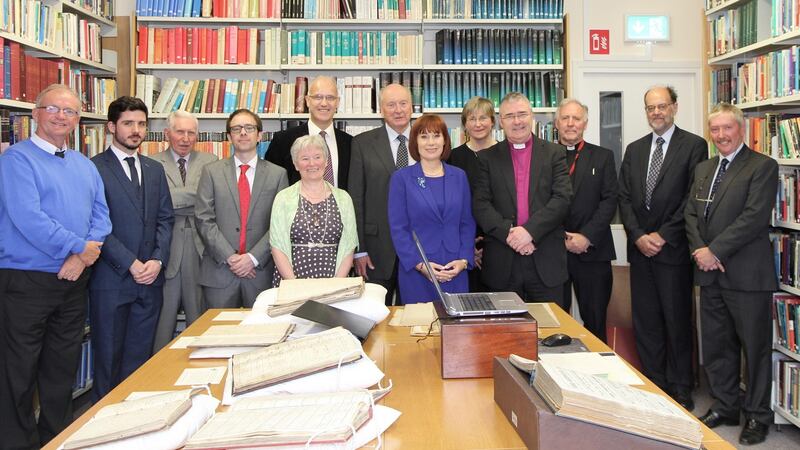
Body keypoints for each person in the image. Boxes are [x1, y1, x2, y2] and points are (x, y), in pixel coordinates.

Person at [0, 84, 111, 449]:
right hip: (26, 282)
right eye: (53, 109)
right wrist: (78, 248)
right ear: (36, 113)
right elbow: (28, 219)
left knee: (61, 369)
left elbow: (102, 217)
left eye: (70, 111)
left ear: (78, 120)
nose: (62, 116)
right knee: (18, 373)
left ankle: (57, 438)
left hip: (73, 281)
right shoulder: (16, 160)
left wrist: (81, 258)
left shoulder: (84, 164)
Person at [686, 103, 777, 445]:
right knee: (717, 345)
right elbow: (690, 214)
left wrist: (715, 251)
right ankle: (726, 406)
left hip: (747, 276)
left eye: (728, 128)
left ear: (741, 129)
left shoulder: (762, 166)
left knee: (754, 350)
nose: (721, 135)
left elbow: (753, 217)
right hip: (709, 275)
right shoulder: (704, 168)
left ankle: (757, 415)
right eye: (715, 129)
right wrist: (700, 251)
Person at [618, 85, 707, 411]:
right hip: (641, 252)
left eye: (662, 106)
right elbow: (624, 198)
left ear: (674, 107)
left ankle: (681, 386)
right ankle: (654, 383)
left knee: (677, 321)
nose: (656, 112)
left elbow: (692, 198)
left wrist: (662, 235)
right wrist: (638, 235)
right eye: (650, 107)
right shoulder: (635, 149)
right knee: (647, 322)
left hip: (673, 252)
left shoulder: (694, 146)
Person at [90, 96, 174, 400]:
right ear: (112, 127)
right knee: (108, 362)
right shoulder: (93, 168)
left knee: (139, 364)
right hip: (112, 281)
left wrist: (157, 261)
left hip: (150, 281)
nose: (136, 130)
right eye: (128, 123)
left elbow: (166, 219)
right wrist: (131, 263)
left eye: (141, 124)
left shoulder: (154, 169)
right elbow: (95, 225)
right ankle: (101, 422)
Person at [472, 92, 572, 303]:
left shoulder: (555, 153)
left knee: (550, 324)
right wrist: (510, 234)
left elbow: (562, 199)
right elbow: (481, 204)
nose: (517, 121)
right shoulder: (486, 158)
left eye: (522, 114)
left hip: (545, 259)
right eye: (509, 116)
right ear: (501, 122)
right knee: (505, 325)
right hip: (503, 262)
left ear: (531, 116)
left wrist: (530, 232)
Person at [195, 109, 288, 308]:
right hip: (220, 272)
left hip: (261, 273)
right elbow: (203, 219)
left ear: (259, 135)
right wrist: (230, 257)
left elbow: (280, 224)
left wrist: (253, 258)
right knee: (217, 327)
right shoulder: (211, 172)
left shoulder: (278, 175)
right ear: (229, 137)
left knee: (262, 328)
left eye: (249, 128)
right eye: (236, 129)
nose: (243, 133)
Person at [388, 114, 475, 303]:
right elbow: (398, 229)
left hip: (454, 269)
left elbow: (467, 223)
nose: (431, 142)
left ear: (445, 140)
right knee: (419, 321)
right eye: (424, 136)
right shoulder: (401, 179)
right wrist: (421, 266)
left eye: (436, 136)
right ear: (415, 142)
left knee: (455, 320)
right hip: (418, 269)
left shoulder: (459, 176)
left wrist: (463, 261)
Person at [151, 111, 218, 351]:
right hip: (165, 246)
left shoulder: (211, 161)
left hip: (202, 246)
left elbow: (213, 200)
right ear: (167, 133)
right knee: (162, 320)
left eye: (191, 133)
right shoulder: (151, 163)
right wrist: (196, 196)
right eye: (180, 131)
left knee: (199, 318)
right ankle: (157, 369)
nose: (186, 138)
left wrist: (171, 198)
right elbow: (155, 202)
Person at [554, 98, 618, 343]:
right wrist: (562, 237)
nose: (571, 123)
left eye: (576, 118)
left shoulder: (603, 157)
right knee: (555, 324)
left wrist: (586, 237)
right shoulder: (544, 156)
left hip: (593, 252)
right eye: (565, 118)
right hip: (554, 253)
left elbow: (610, 200)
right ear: (557, 123)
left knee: (595, 322)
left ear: (585, 123)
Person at [349, 83, 414, 305]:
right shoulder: (362, 144)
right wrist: (359, 251)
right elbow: (356, 199)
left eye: (403, 103)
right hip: (376, 251)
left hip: (419, 249)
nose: (398, 110)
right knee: (375, 316)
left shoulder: (427, 141)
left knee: (417, 316)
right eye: (391, 104)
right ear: (381, 110)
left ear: (411, 106)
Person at [270, 135, 358, 284]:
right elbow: (277, 246)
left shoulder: (344, 198)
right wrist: (294, 284)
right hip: (292, 281)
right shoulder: (283, 198)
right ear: (295, 164)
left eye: (317, 157)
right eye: (305, 158)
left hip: (335, 281)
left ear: (326, 161)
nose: (312, 163)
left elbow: (349, 245)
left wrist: (336, 285)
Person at [266, 75, 353, 189]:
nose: (324, 103)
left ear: (337, 102)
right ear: (307, 101)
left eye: (330, 98)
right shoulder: (283, 141)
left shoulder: (351, 143)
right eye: (318, 97)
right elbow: (271, 184)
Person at [448, 96, 497, 292]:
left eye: (483, 118)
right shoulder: (453, 157)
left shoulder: (505, 154)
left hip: (499, 242)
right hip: (461, 245)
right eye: (472, 119)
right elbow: (451, 205)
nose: (478, 124)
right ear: (464, 125)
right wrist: (468, 247)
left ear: (492, 121)